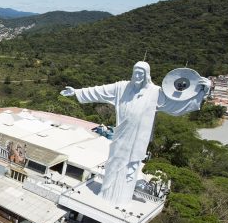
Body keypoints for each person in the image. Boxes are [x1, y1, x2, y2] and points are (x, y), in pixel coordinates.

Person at [60, 61, 210, 206]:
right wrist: (76, 92)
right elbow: (100, 91)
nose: (137, 76)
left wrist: (202, 93)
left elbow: (175, 105)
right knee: (113, 163)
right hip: (121, 135)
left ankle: (121, 198)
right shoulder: (122, 87)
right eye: (135, 73)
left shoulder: (155, 92)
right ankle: (106, 193)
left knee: (129, 168)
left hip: (138, 138)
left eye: (141, 74)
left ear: (147, 75)